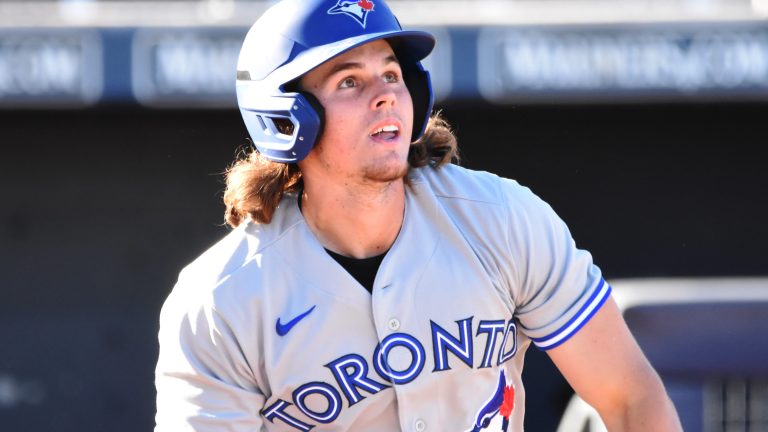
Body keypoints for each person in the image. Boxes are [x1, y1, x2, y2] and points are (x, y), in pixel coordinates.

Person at [155, 0, 682, 430]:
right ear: (286, 119)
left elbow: (632, 400)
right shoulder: (219, 301)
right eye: (349, 82)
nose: (386, 95)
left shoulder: (501, 220)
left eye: (392, 73)